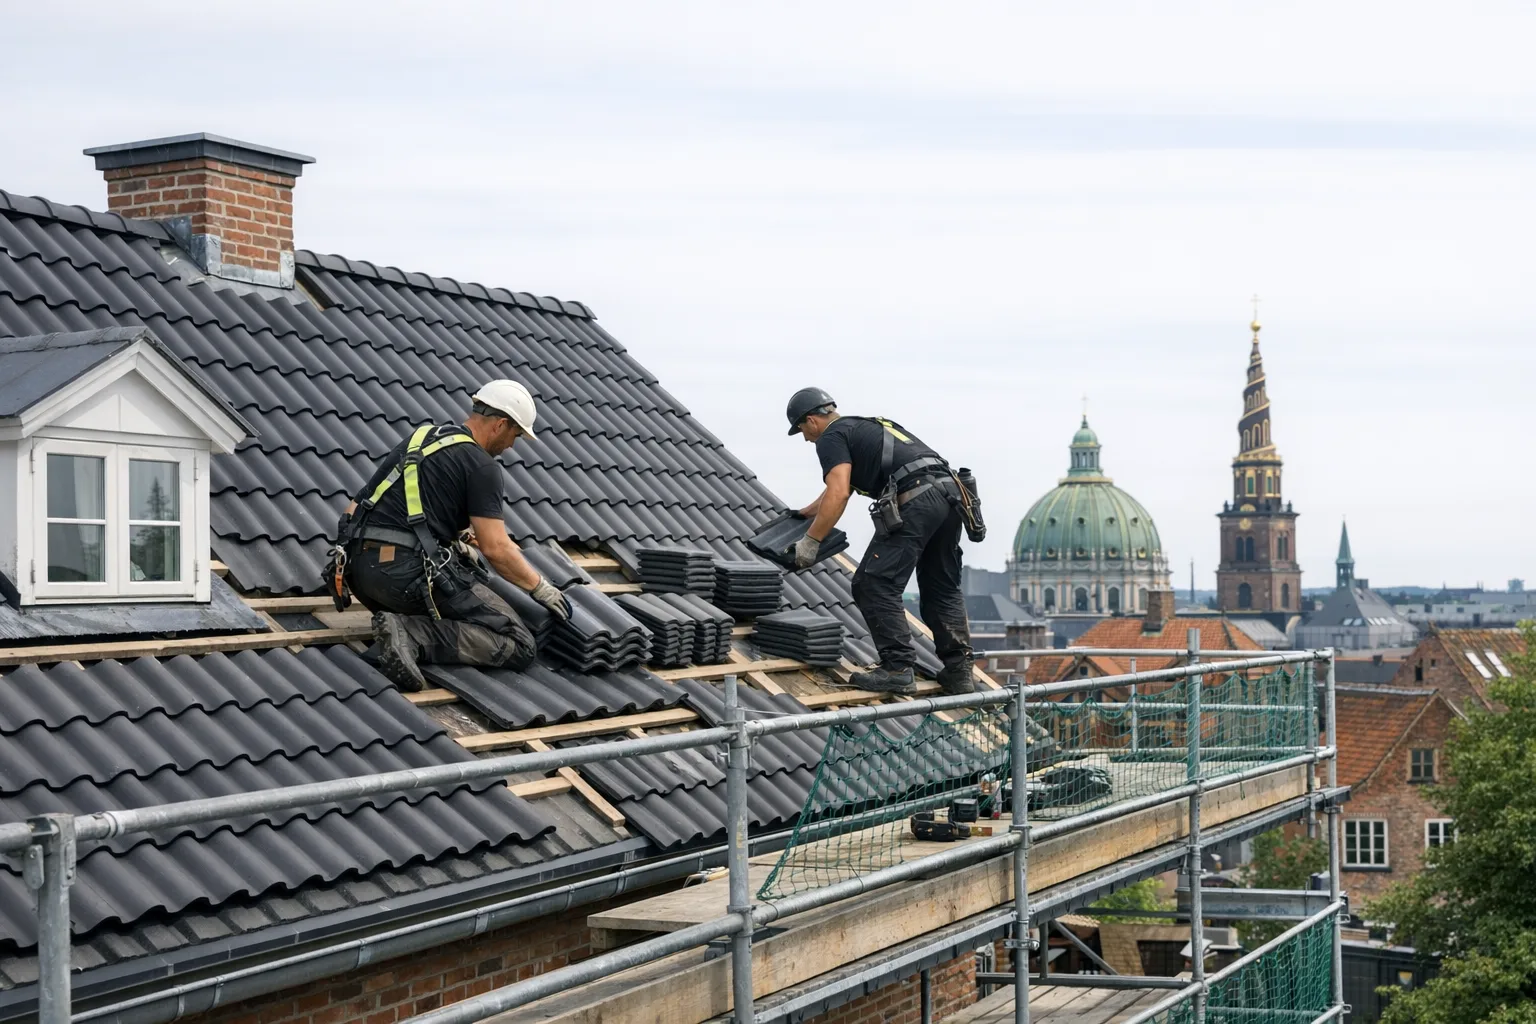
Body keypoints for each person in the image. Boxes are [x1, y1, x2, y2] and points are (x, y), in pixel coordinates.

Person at [336, 380, 571, 690]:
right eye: (515, 435)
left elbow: (353, 509)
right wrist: (540, 588)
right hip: (403, 581)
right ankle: (411, 633)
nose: (512, 446)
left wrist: (450, 537)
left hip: (361, 576)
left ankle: (399, 625)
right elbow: (497, 548)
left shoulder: (420, 439)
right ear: (500, 425)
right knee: (519, 642)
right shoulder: (481, 465)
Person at [785, 386, 975, 696]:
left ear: (811, 420)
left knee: (873, 583)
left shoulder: (831, 437)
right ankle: (960, 672)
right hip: (952, 495)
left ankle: (897, 668)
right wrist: (807, 513)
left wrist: (810, 542)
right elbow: (835, 489)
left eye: (802, 430)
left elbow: (839, 491)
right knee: (941, 585)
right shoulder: (866, 426)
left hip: (918, 497)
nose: (806, 438)